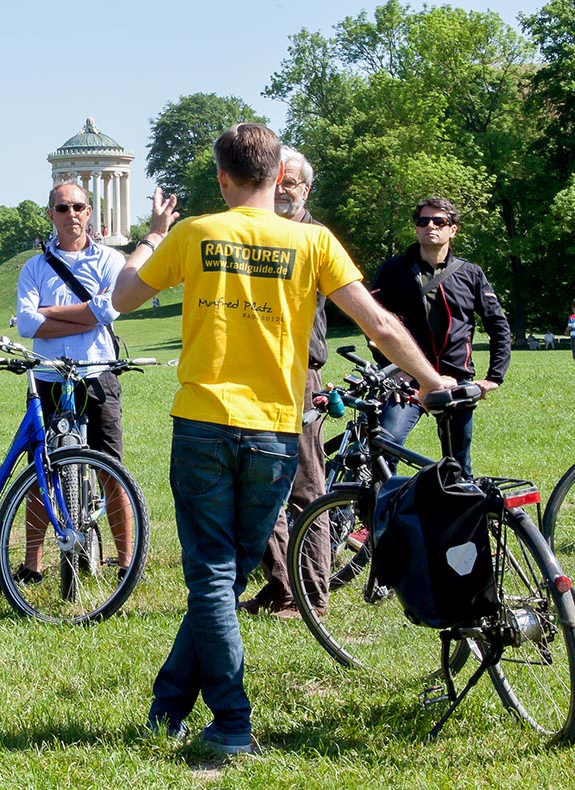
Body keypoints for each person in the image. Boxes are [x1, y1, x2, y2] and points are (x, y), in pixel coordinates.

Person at [113, 123, 454, 755]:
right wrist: (432, 380)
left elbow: (124, 297)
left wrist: (153, 237)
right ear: (277, 176)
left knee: (215, 576)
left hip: (204, 424)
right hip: (276, 428)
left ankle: (230, 722)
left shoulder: (195, 233)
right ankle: (169, 706)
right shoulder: (313, 241)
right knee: (226, 575)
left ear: (222, 178)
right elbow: (379, 324)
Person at [15, 181, 133, 581]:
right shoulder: (34, 267)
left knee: (111, 469)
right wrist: (88, 313)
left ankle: (126, 561)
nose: (71, 215)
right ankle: (31, 564)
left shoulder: (111, 260)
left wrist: (50, 313)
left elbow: (109, 310)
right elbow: (27, 324)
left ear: (89, 212)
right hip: (48, 375)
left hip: (96, 373)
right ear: (50, 214)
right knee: (41, 471)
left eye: (78, 207)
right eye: (62, 208)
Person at [239, 147, 330, 618]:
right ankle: (281, 585)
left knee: (304, 487)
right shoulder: (259, 235)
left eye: (290, 182)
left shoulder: (314, 238)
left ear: (306, 190)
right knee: (259, 485)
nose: (281, 190)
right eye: (274, 181)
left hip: (298, 373)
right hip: (254, 371)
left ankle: (311, 594)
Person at [370, 197, 511, 477]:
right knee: (386, 450)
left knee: (458, 466)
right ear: (416, 228)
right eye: (423, 222)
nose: (430, 227)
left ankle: (457, 505)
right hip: (407, 381)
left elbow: (498, 325)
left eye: (439, 221)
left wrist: (494, 377)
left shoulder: (471, 274)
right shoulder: (392, 271)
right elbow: (372, 324)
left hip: (456, 381)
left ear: (452, 229)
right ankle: (384, 505)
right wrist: (393, 370)